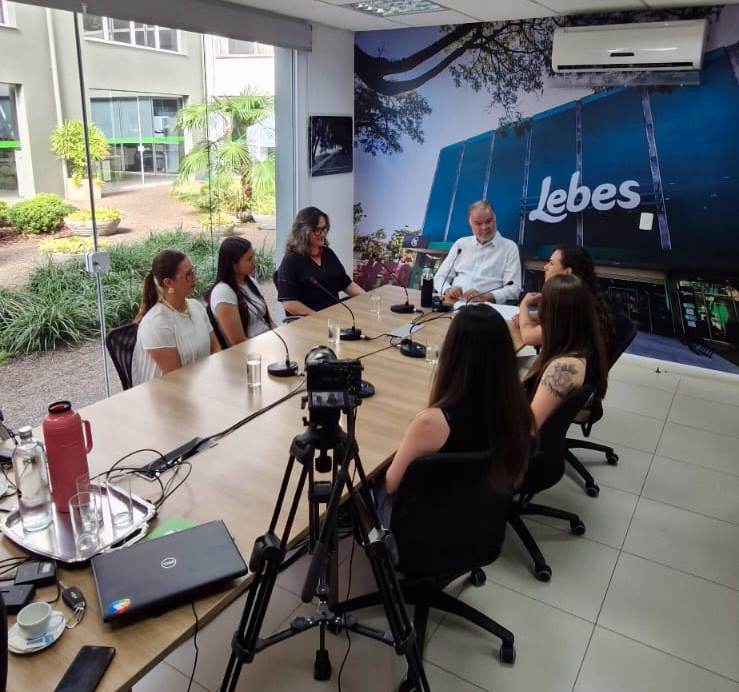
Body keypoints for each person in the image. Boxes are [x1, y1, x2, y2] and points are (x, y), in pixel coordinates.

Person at [383, 305, 532, 502]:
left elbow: (392, 485)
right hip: (485, 513)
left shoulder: (432, 423)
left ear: (452, 352)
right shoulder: (517, 405)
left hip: (429, 521)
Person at [523, 274, 608, 431]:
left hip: (522, 444)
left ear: (552, 316)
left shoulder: (563, 368)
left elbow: (529, 428)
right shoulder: (581, 340)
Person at [131, 250, 220, 386]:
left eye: (193, 271)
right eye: (188, 275)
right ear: (168, 283)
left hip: (200, 386)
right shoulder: (157, 323)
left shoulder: (196, 306)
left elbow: (216, 351)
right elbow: (176, 378)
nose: (195, 278)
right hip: (166, 398)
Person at [515, 245, 614, 352]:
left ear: (567, 272)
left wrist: (524, 305)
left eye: (551, 263)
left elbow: (529, 337)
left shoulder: (569, 302)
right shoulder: (583, 294)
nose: (545, 267)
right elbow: (554, 319)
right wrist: (530, 317)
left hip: (566, 365)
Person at [276, 206, 364, 316]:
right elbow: (289, 303)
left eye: (324, 229)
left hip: (335, 317)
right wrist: (319, 318)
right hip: (310, 323)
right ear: (303, 232)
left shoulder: (328, 254)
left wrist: (368, 298)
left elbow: (346, 284)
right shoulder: (291, 261)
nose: (322, 234)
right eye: (317, 230)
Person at [433, 200, 521, 305]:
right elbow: (440, 277)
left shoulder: (509, 247)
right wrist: (448, 289)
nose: (484, 227)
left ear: (495, 219)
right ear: (470, 224)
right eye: (478, 223)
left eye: (488, 221)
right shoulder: (461, 243)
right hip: (454, 303)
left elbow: (514, 289)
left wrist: (485, 296)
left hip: (486, 307)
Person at [206, 237, 275, 346]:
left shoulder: (251, 282)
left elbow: (269, 322)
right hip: (250, 353)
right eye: (249, 259)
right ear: (233, 265)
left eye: (253, 256)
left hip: (269, 342)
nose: (254, 261)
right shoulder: (223, 292)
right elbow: (238, 342)